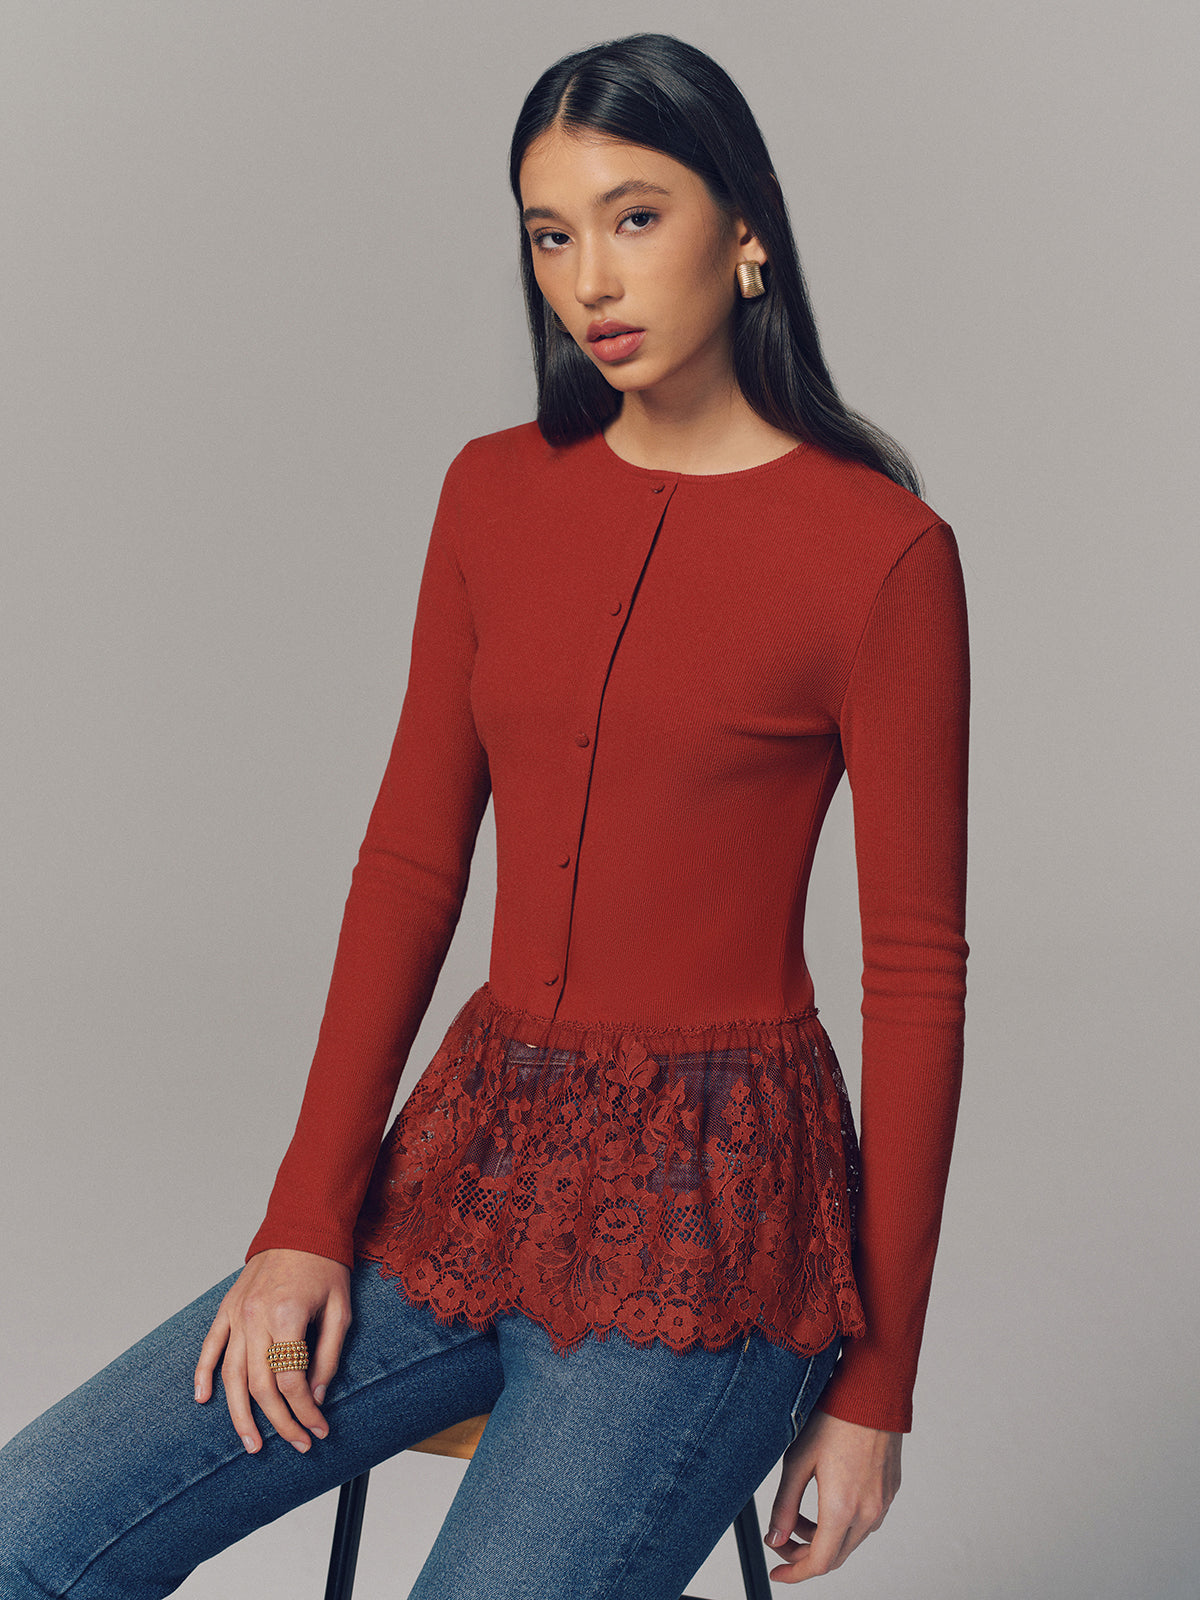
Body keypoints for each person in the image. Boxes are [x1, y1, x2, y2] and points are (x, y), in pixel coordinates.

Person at [0, 31, 969, 1598]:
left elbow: (918, 985)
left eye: (635, 216)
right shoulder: (493, 494)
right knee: (26, 1528)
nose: (592, 277)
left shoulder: (880, 553)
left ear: (745, 230)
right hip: (466, 1175)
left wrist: (878, 1391)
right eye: (551, 233)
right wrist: (302, 1219)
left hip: (712, 1232)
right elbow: (408, 866)